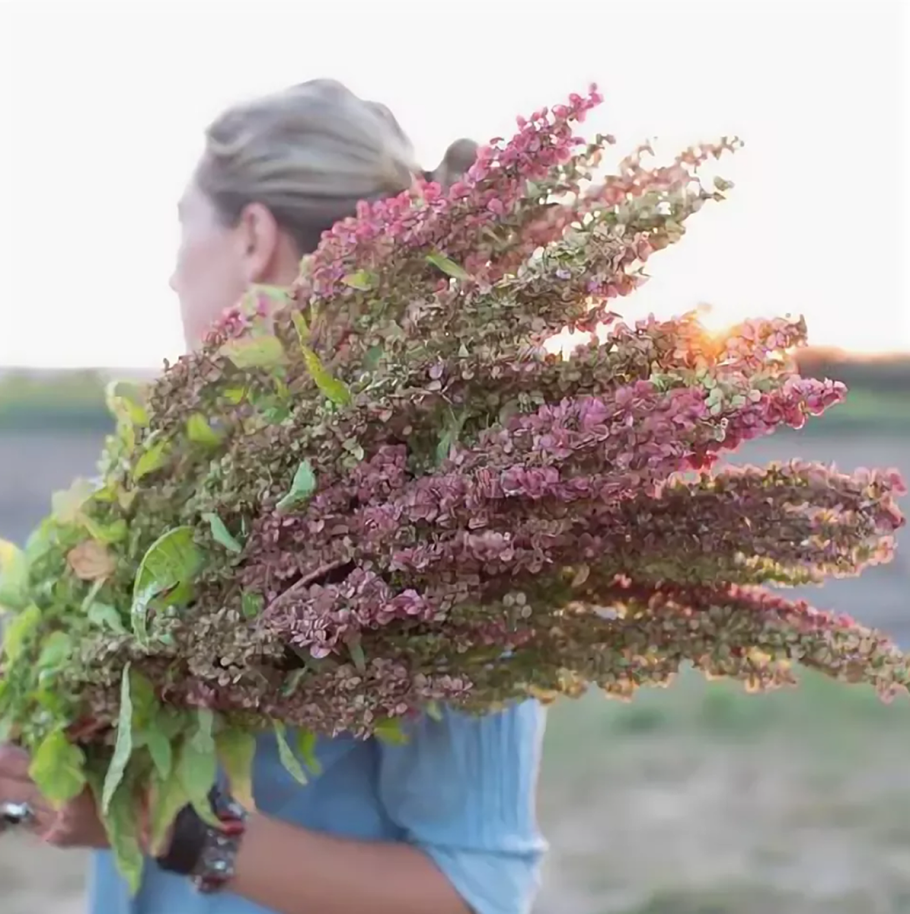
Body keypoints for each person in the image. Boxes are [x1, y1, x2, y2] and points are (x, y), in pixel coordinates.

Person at [0, 79, 547, 914]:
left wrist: (157, 820)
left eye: (185, 223)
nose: (172, 272)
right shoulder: (184, 472)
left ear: (253, 236)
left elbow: (476, 888)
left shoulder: (441, 506)